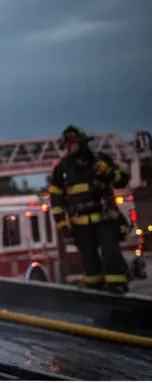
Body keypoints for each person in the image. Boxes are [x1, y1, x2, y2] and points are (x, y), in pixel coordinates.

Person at [49, 125, 131, 293]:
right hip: (80, 225)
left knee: (110, 254)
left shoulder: (100, 161)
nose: (68, 148)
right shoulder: (61, 170)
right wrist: (62, 226)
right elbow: (56, 201)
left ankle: (118, 288)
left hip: (105, 219)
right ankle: (95, 293)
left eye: (72, 144)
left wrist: (107, 172)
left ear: (83, 143)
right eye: (66, 145)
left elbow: (121, 180)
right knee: (90, 263)